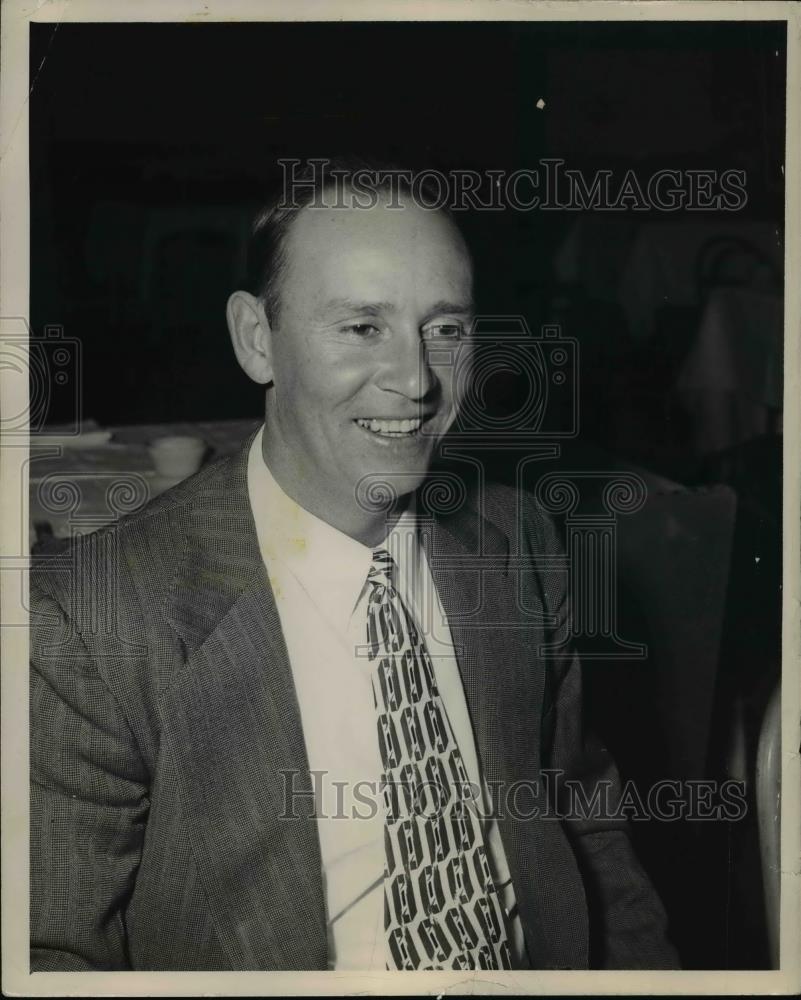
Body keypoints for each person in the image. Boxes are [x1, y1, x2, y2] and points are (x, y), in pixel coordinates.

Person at [30, 159, 679, 972]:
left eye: (444, 329)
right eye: (362, 327)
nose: (414, 382)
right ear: (256, 340)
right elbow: (48, 957)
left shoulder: (521, 540)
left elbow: (583, 818)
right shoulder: (92, 617)